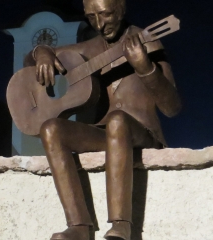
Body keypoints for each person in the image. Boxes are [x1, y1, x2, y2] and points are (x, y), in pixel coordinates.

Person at [25, 0, 181, 239]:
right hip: (104, 134)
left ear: (121, 8)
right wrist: (41, 52)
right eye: (91, 17)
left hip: (142, 134)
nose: (100, 24)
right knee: (51, 129)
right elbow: (30, 61)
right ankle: (78, 226)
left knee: (118, 120)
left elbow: (172, 108)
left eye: (105, 14)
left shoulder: (148, 41)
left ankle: (121, 225)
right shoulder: (90, 47)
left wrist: (145, 68)